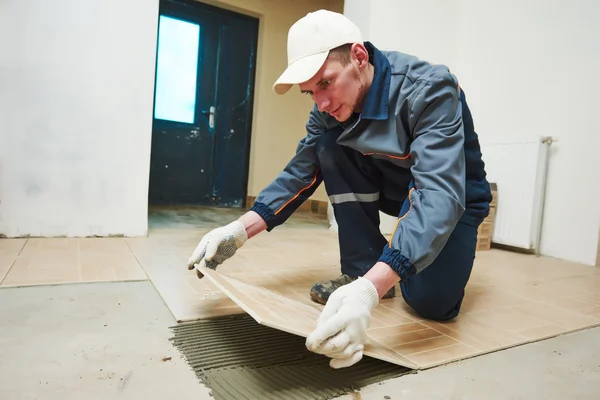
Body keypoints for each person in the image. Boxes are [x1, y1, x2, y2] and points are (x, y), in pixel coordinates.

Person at [187, 10, 492, 369]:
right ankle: (362, 269)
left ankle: (378, 275)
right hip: (398, 188)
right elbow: (300, 171)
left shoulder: (429, 89)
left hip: (452, 199)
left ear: (359, 58)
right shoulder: (327, 112)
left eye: (326, 83)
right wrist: (238, 231)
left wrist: (371, 290)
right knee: (327, 148)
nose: (322, 103)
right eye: (310, 92)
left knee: (431, 305)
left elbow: (439, 192)